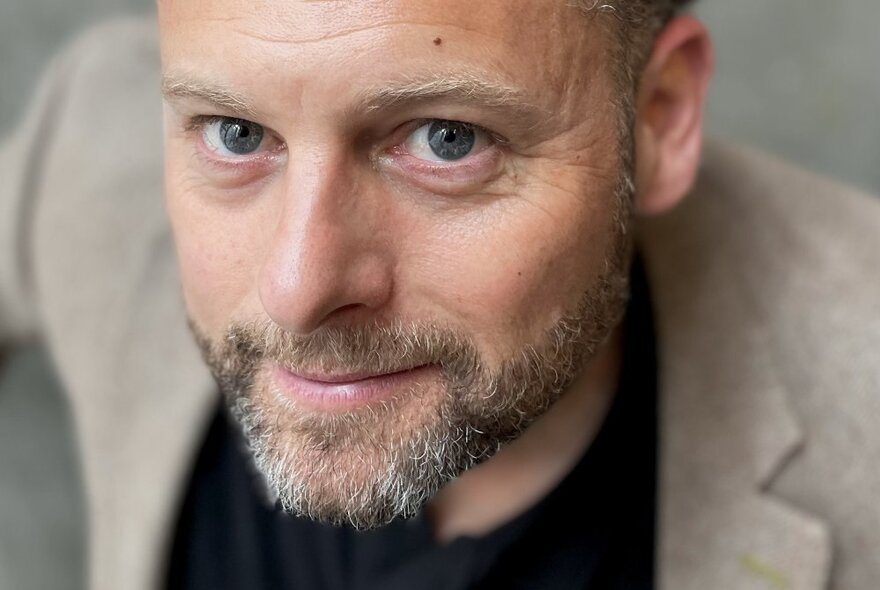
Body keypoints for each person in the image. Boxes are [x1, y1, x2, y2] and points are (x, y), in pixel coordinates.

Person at [1, 1, 879, 589]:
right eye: (237, 134)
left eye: (447, 140)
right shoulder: (93, 149)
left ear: (658, 119)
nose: (297, 292)